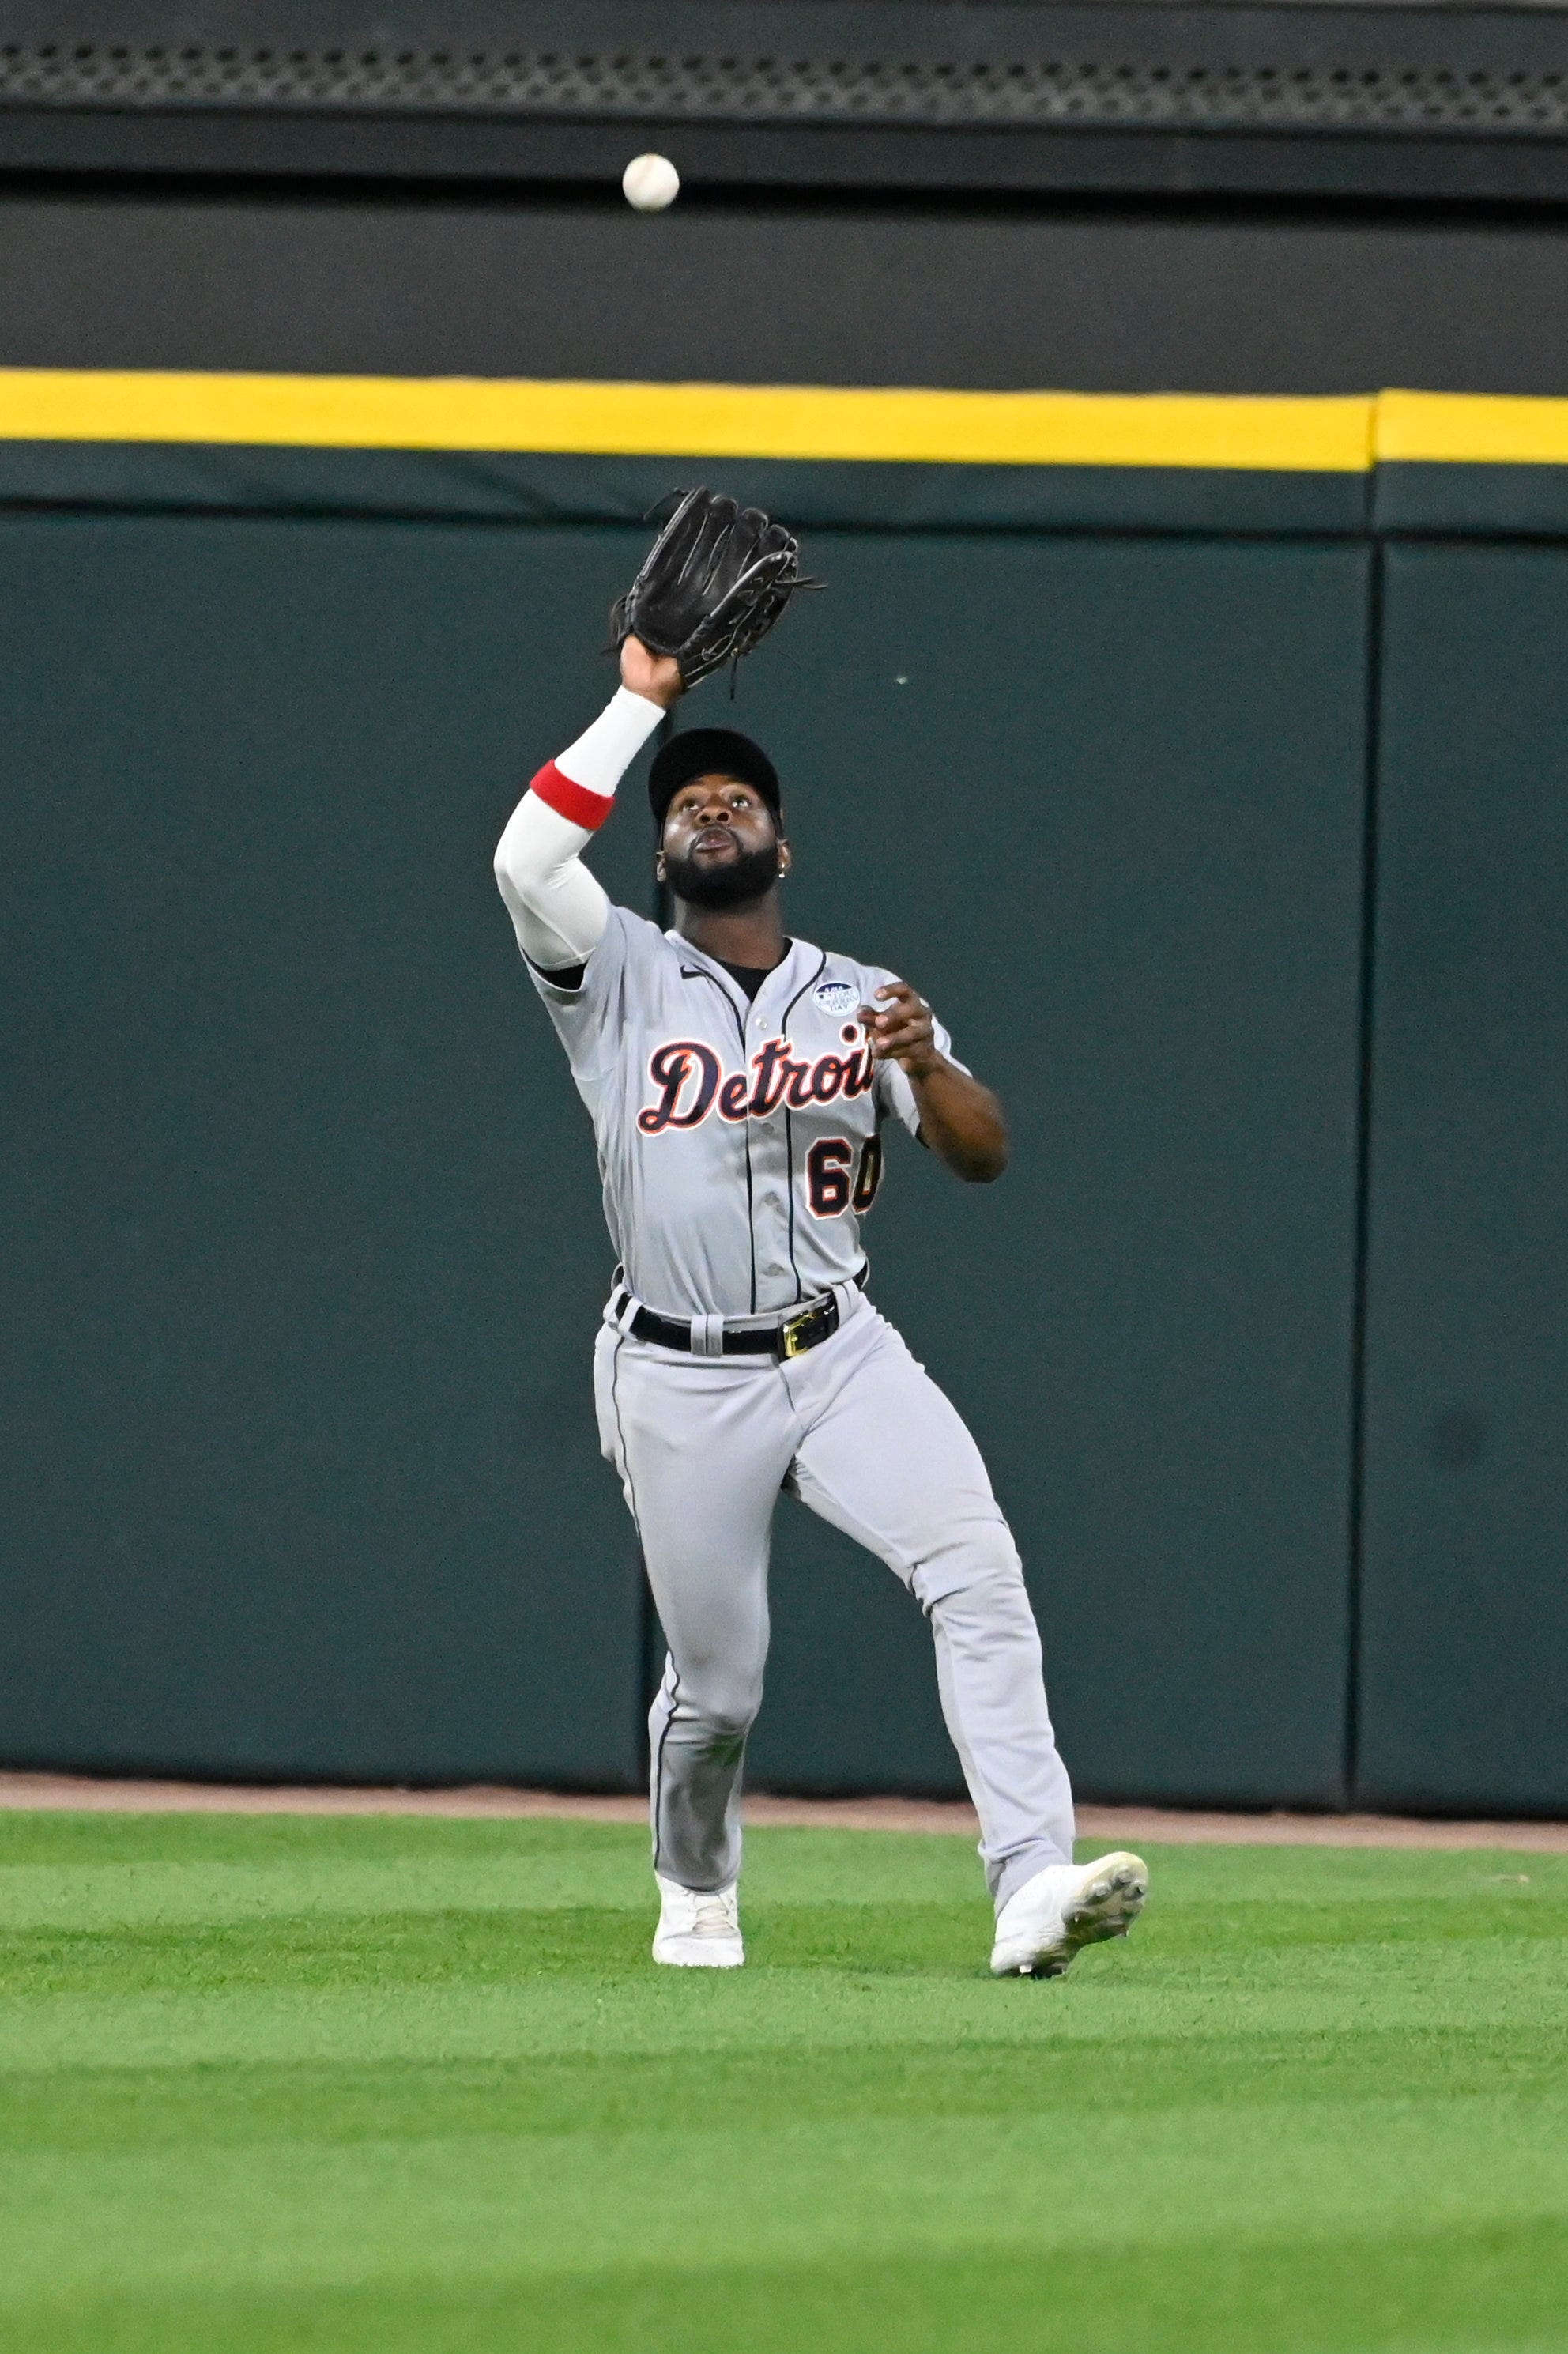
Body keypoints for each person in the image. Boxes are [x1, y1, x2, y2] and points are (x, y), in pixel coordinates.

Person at [492, 630, 1148, 1976]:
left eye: (738, 800)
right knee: (720, 1689)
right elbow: (522, 860)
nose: (713, 809)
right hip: (676, 1372)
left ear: (780, 850)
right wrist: (639, 706)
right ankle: (694, 1876)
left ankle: (1031, 1880)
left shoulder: (865, 997)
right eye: (687, 803)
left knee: (979, 1573)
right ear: (660, 853)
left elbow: (981, 1151)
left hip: (841, 1348)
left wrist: (927, 1064)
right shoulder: (609, 971)